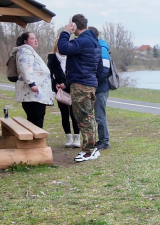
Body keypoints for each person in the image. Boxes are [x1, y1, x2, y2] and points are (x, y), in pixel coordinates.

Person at [57, 14, 104, 162]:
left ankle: (89, 150)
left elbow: (63, 48)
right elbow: (100, 69)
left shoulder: (83, 41)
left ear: (75, 26)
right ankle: (91, 148)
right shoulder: (94, 42)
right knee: (86, 116)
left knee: (84, 117)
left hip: (81, 84)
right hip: (88, 83)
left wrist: (65, 32)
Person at [12, 32, 53, 128]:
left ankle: (36, 141)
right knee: (36, 117)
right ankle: (35, 141)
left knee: (37, 117)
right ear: (25, 41)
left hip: (36, 94)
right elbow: (25, 68)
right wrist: (32, 84)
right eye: (32, 38)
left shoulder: (30, 51)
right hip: (32, 93)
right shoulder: (25, 51)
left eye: (35, 38)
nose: (35, 40)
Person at [48, 43, 81, 148]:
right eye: (59, 46)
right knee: (64, 114)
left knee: (74, 114)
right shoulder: (52, 59)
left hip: (72, 89)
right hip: (60, 91)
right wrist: (55, 85)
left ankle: (76, 137)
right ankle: (68, 137)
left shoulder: (72, 57)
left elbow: (77, 73)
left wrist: (66, 84)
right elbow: (48, 75)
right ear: (56, 47)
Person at [88, 26, 112, 150]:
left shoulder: (102, 49)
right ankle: (101, 140)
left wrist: (94, 82)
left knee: (100, 115)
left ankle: (104, 141)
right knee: (97, 115)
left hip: (101, 88)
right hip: (97, 86)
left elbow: (105, 70)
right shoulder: (96, 47)